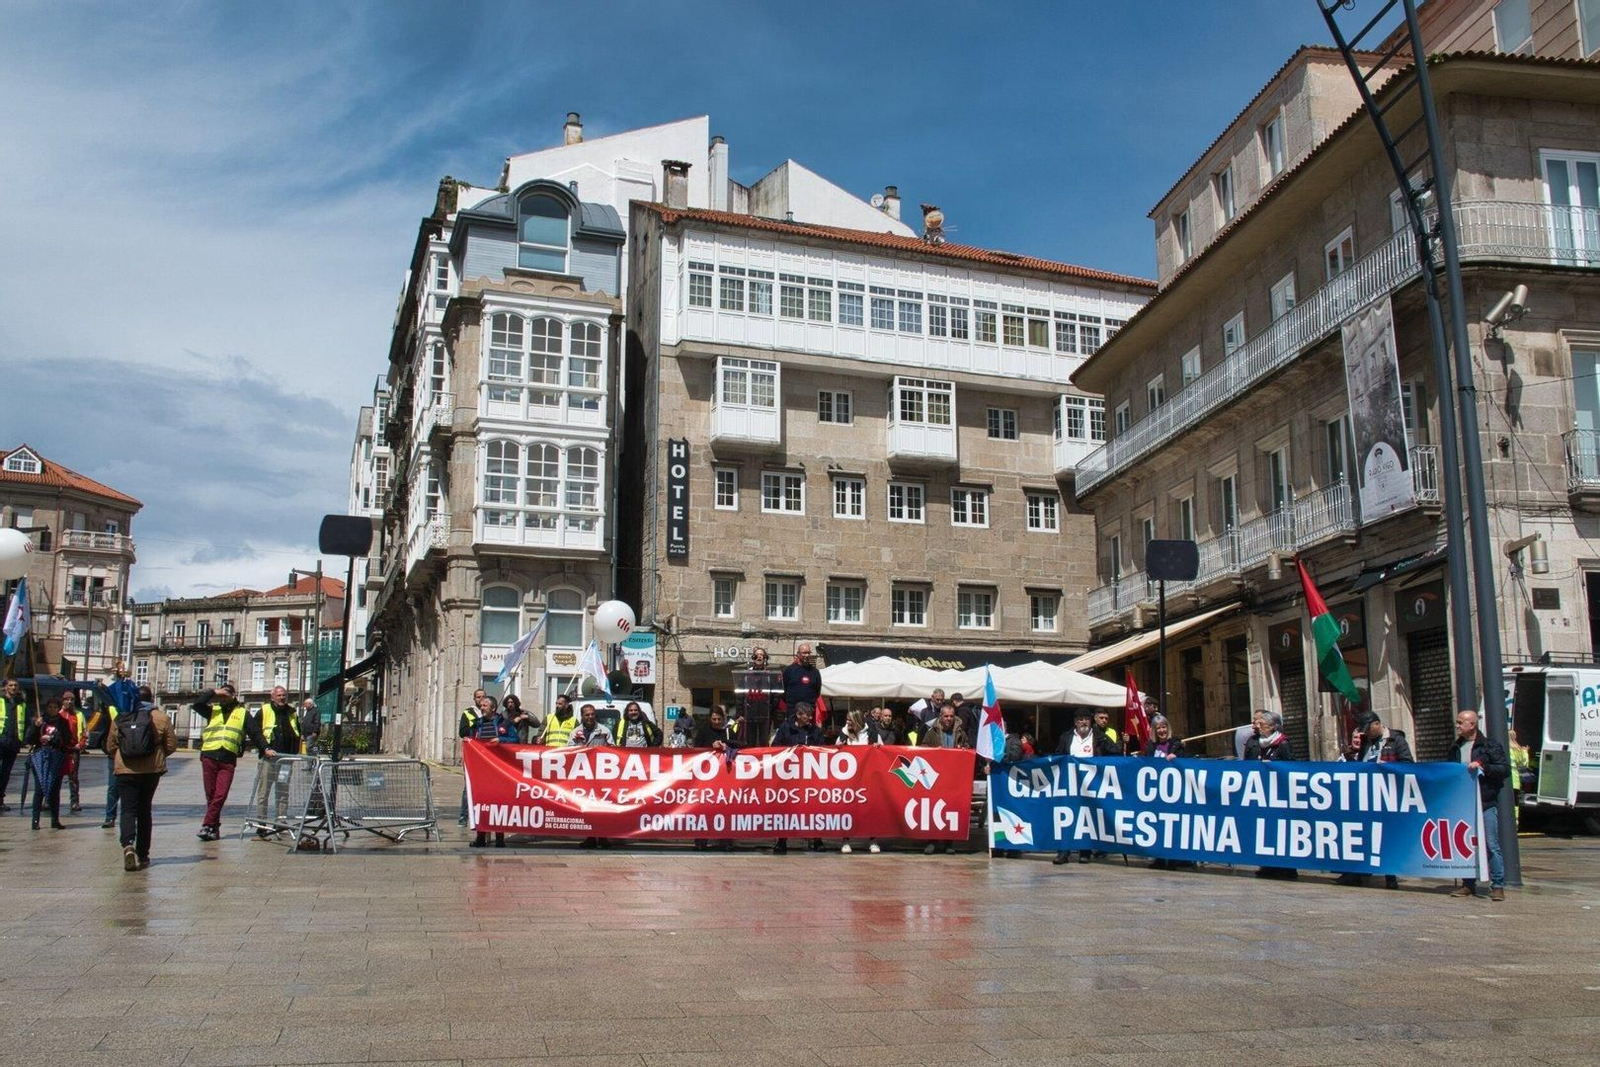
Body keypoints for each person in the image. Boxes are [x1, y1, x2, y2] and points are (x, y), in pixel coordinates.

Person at [1333, 710, 1411, 888]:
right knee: (1366, 835)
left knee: (1388, 836)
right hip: (1368, 796)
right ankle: (1358, 872)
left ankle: (1390, 877)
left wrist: (1389, 768)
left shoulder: (1396, 740)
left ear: (1377, 724)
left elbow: (1408, 764)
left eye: (1368, 729)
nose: (1366, 733)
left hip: (1388, 794)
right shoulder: (1366, 743)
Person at [108, 685, 177, 872]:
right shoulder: (161, 717)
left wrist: (124, 755)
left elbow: (110, 745)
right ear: (151, 698)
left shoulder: (122, 716)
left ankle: (127, 844)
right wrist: (156, 755)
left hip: (125, 769)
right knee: (144, 810)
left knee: (128, 809)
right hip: (151, 770)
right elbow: (171, 745)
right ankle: (143, 854)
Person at [1448, 709, 1511, 901]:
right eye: (1457, 722)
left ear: (1472, 725)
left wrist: (1484, 767)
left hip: (1485, 801)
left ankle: (1497, 885)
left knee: (1491, 844)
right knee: (1466, 844)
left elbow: (1504, 769)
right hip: (1463, 803)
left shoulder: (1489, 746)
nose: (1457, 726)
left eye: (1461, 722)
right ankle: (1468, 884)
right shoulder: (1456, 747)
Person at [1053, 710, 1116, 865]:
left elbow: (1115, 752)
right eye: (1080, 719)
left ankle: (1085, 851)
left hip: (1091, 784)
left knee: (1087, 816)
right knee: (1067, 816)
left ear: (1090, 721)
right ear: (1075, 722)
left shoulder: (1100, 737)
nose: (1083, 722)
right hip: (1069, 784)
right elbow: (1058, 755)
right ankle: (1063, 851)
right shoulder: (1066, 737)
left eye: (1086, 719)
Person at [1244, 709, 1298, 879]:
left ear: (1273, 726)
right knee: (1265, 830)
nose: (1258, 726)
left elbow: (1290, 766)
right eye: (1258, 723)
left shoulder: (1283, 743)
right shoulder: (1255, 742)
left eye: (1262, 724)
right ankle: (1267, 864)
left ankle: (1287, 868)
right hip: (1261, 794)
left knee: (1281, 830)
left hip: (1279, 794)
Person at [192, 683, 249, 841]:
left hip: (227, 759)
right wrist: (214, 692)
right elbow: (197, 704)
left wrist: (265, 748)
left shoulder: (242, 712)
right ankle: (214, 829)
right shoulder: (213, 711)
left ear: (234, 695)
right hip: (209, 755)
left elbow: (255, 732)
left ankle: (207, 824)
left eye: (227, 693)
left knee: (220, 794)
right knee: (210, 794)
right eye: (221, 694)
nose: (223, 697)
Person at [771, 701, 825, 854]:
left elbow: (822, 748)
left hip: (810, 774)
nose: (810, 718)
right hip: (789, 775)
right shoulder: (785, 728)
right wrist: (791, 751)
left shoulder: (815, 730)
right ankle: (782, 840)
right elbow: (775, 747)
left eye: (810, 715)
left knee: (813, 807)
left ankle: (817, 840)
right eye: (807, 716)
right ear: (798, 715)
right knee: (785, 807)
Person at [248, 685, 301, 837]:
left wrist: (294, 752)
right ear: (272, 697)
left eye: (284, 695)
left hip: (286, 759)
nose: (282, 698)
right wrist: (264, 748)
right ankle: (262, 823)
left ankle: (281, 821)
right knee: (264, 791)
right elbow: (255, 732)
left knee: (283, 791)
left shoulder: (291, 712)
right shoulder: (264, 710)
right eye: (279, 695)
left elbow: (297, 731)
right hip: (269, 758)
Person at [91, 664, 139, 827]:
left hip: (127, 752)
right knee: (113, 787)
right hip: (115, 753)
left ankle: (127, 816)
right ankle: (110, 816)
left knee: (125, 787)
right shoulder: (110, 709)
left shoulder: (132, 707)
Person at [919, 704, 971, 855]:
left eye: (951, 716)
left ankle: (948, 842)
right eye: (946, 716)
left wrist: (964, 750)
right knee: (933, 808)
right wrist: (933, 752)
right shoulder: (932, 732)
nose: (949, 719)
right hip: (935, 778)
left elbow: (967, 747)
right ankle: (932, 841)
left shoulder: (961, 732)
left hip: (954, 777)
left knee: (951, 808)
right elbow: (922, 749)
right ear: (940, 716)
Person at [27, 697, 75, 830]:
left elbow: (67, 739)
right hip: (40, 758)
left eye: (55, 707)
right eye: (50, 707)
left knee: (54, 790)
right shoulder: (40, 721)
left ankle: (55, 819)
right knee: (39, 790)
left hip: (56, 758)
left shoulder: (62, 722)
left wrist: (55, 738)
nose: (52, 709)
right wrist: (35, 727)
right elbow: (29, 739)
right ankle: (35, 820)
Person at [457, 689, 491, 826]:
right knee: (468, 787)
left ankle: (484, 815)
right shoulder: (468, 713)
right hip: (473, 755)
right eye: (478, 697)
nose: (481, 699)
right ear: (474, 699)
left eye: (483, 697)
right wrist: (477, 723)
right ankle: (463, 817)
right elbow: (462, 732)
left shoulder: (491, 715)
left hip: (487, 756)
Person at [0, 677, 28, 813]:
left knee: (5, 773)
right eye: (10, 685)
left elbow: (25, 722)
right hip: (1, 740)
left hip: (13, 743)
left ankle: (0, 799)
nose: (13, 688)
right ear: (5, 687)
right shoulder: (0, 701)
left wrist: (26, 739)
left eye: (15, 686)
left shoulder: (21, 704)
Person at [59, 689, 87, 813]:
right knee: (56, 776)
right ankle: (49, 799)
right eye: (67, 699)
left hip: (73, 750)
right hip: (60, 750)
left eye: (72, 699)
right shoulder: (58, 714)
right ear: (63, 701)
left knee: (73, 776)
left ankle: (75, 801)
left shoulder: (79, 715)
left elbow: (85, 732)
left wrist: (80, 744)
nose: (69, 702)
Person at [781, 643, 822, 725]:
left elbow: (817, 691)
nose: (807, 655)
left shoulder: (815, 672)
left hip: (809, 711)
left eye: (808, 653)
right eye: (804, 653)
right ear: (798, 654)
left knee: (809, 732)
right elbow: (783, 689)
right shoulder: (789, 670)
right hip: (793, 710)